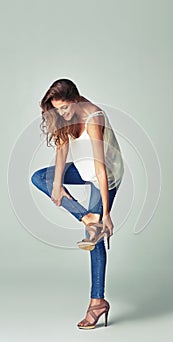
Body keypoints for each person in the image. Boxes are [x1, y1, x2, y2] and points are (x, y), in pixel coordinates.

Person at [31, 78, 124, 329]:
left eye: (64, 107)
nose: (62, 113)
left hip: (105, 176)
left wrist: (105, 213)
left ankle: (97, 303)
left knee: (93, 240)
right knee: (40, 178)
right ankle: (87, 218)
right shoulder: (62, 116)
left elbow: (101, 168)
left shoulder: (94, 117)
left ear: (75, 98)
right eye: (57, 109)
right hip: (83, 170)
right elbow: (62, 149)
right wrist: (58, 183)